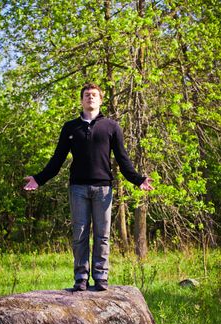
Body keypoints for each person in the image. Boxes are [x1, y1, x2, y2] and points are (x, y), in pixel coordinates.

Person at [24, 83, 154, 292]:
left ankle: (101, 276)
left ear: (100, 100)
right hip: (78, 189)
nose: (90, 98)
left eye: (94, 95)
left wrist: (138, 179)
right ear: (81, 100)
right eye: (86, 95)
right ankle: (81, 278)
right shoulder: (70, 127)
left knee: (103, 235)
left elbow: (123, 159)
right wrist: (39, 179)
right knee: (80, 235)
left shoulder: (111, 127)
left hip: (103, 189)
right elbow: (57, 160)